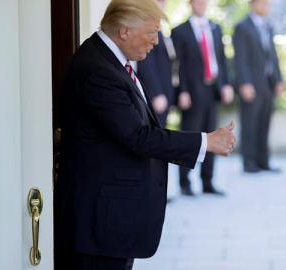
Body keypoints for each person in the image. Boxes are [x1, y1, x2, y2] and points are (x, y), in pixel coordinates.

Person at [54, 0, 236, 269]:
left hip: (109, 222)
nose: (155, 42)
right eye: (151, 33)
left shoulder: (110, 60)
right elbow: (138, 136)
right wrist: (205, 141)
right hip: (99, 223)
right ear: (125, 30)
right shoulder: (98, 70)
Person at [171, 0, 234, 196]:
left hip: (212, 90)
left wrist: (226, 84)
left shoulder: (215, 27)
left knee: (212, 135)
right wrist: (182, 91)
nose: (201, 4)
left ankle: (207, 182)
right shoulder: (179, 31)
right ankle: (185, 182)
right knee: (190, 137)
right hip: (191, 92)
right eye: (197, 1)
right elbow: (177, 65)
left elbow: (222, 60)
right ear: (191, 3)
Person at [233, 0, 284, 173]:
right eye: (263, 3)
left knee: (264, 123)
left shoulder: (268, 25)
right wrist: (245, 83)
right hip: (251, 84)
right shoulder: (242, 27)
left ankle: (264, 161)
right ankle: (249, 163)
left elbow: (273, 56)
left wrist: (278, 79)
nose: (266, 6)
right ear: (252, 4)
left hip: (267, 83)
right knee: (249, 124)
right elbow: (240, 58)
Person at [137, 0, 178, 127]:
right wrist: (156, 94)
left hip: (165, 94)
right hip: (156, 97)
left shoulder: (159, 29)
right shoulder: (146, 28)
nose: (163, 3)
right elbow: (146, 64)